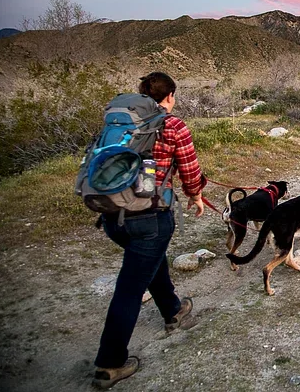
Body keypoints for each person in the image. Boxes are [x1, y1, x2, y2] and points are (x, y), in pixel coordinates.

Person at [92, 72, 206, 389]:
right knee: (130, 288)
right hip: (150, 217)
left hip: (112, 214)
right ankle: (109, 363)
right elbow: (190, 171)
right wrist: (196, 196)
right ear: (170, 96)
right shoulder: (173, 126)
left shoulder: (122, 124)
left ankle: (173, 311)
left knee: (148, 261)